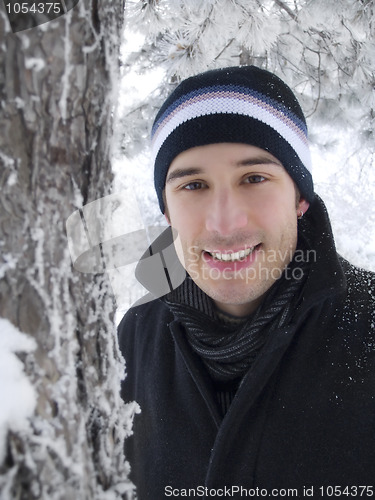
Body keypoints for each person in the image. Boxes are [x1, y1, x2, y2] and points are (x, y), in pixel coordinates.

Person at [118, 66, 375, 499]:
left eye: (254, 178)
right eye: (193, 185)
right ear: (167, 212)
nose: (225, 222)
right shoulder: (134, 341)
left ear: (300, 197)